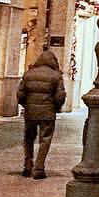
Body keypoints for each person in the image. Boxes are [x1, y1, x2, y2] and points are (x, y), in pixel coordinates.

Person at [16, 49, 66, 179]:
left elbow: (20, 94)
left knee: (28, 138)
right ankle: (39, 168)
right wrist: (56, 106)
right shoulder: (56, 76)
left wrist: (26, 105)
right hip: (47, 112)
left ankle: (27, 164)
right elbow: (60, 96)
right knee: (45, 139)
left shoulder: (29, 74)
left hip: (30, 112)